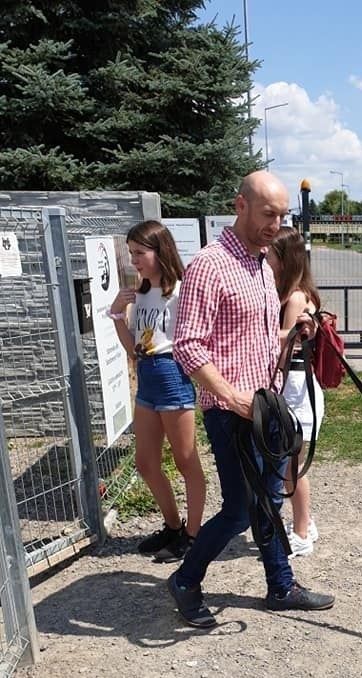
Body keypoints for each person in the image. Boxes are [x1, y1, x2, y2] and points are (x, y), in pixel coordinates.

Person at [167, 171, 335, 628]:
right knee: (241, 509)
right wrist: (232, 398)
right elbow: (188, 345)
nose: (275, 224)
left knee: (268, 502)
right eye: (267, 214)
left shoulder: (262, 264)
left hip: (265, 405)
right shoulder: (209, 265)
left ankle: (281, 585)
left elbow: (257, 341)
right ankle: (185, 579)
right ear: (239, 205)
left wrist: (297, 335)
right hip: (230, 412)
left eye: (281, 216)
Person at [108, 220, 206, 562]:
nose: (134, 260)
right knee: (146, 462)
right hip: (148, 375)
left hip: (171, 373)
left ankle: (193, 537)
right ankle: (173, 526)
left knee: (186, 461)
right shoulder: (141, 289)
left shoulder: (181, 289)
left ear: (159, 251)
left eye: (139, 252)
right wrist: (118, 315)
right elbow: (133, 348)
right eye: (131, 252)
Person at [266, 226, 323, 557]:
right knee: (291, 462)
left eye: (270, 253)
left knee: (292, 465)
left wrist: (260, 335)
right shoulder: (292, 292)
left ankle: (301, 532)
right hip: (295, 387)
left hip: (296, 390)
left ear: (285, 258)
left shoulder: (297, 296)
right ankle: (306, 522)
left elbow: (286, 348)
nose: (265, 257)